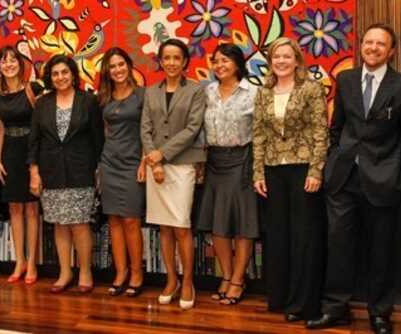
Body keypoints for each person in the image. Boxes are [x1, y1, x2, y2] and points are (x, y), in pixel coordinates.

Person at [306, 24, 401, 334]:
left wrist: (400, 182)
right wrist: (333, 163)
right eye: (368, 42)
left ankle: (380, 313)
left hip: (384, 182)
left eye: (380, 44)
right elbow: (336, 127)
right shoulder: (344, 80)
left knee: (380, 251)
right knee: (339, 246)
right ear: (361, 46)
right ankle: (335, 308)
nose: (373, 48)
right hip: (343, 180)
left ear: (392, 50)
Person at [251, 37, 328, 321]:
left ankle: (303, 304)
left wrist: (316, 170)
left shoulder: (311, 88)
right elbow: (258, 134)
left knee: (304, 238)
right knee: (278, 236)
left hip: (303, 169)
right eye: (276, 57)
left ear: (297, 59)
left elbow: (321, 132)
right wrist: (258, 172)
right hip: (273, 170)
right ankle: (280, 298)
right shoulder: (263, 92)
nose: (281, 61)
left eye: (286, 56)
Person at [28, 54, 104, 294]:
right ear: (50, 77)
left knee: (80, 224)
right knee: (60, 224)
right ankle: (65, 271)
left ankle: (85, 271)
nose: (60, 77)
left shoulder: (88, 101)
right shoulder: (42, 103)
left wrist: (98, 169)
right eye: (55, 73)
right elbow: (34, 140)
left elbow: (98, 139)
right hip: (51, 171)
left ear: (73, 75)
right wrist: (34, 171)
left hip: (81, 170)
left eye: (64, 72)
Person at [140, 39, 206, 310]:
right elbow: (144, 128)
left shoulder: (195, 90)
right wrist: (153, 161)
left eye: (176, 58)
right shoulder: (151, 92)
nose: (171, 62)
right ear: (160, 60)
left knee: (181, 226)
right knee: (164, 226)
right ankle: (171, 279)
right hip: (155, 165)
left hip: (182, 165)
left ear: (185, 61)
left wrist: (161, 154)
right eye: (166, 57)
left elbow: (192, 129)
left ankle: (188, 281)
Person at [196, 44, 259, 305]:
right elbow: (197, 127)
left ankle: (238, 279)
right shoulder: (206, 92)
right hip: (214, 162)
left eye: (225, 60)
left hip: (242, 159)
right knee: (218, 225)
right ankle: (227, 275)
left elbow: (261, 131)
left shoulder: (254, 92)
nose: (220, 65)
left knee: (243, 225)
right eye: (215, 61)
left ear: (237, 63)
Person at [96, 47, 146, 297]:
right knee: (114, 219)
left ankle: (137, 273)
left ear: (129, 65)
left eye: (120, 64)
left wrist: (145, 161)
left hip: (133, 163)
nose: (117, 70)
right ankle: (121, 272)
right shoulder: (104, 97)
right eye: (112, 66)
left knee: (131, 220)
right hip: (109, 163)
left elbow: (150, 131)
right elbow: (102, 131)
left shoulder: (142, 95)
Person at [0, 46, 42, 285]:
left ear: (21, 64)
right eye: (4, 61)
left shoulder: (34, 89)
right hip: (10, 151)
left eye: (13, 60)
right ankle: (19, 261)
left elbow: (43, 123)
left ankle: (32, 261)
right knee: (14, 209)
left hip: (31, 151)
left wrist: (39, 163)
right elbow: (0, 126)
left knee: (32, 209)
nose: (9, 64)